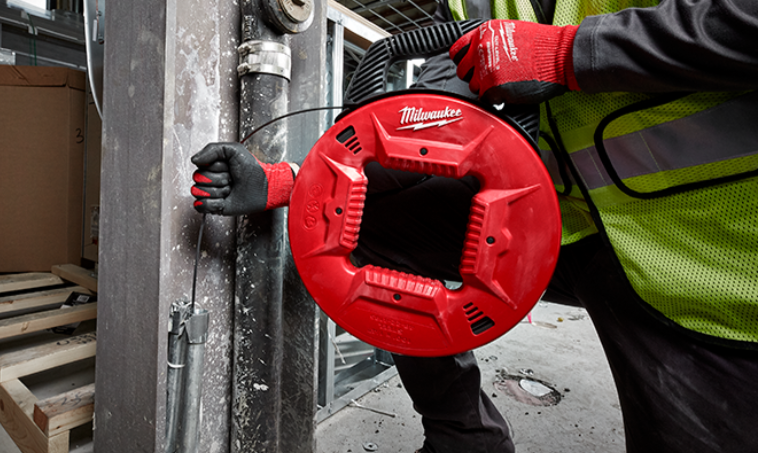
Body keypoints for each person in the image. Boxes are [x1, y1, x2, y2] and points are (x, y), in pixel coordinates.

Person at [190, 0, 758, 452]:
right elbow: (422, 129)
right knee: (369, 227)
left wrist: (572, 53)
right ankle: (465, 439)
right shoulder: (468, 3)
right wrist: (294, 181)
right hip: (558, 230)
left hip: (711, 267)